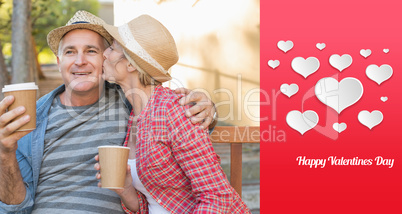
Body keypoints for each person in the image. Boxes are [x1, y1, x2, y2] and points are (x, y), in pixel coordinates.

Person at [0, 11, 216, 213]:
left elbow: (174, 115)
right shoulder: (31, 118)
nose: (79, 61)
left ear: (105, 59)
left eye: (91, 51)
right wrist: (5, 152)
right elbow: (15, 206)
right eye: (70, 52)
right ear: (59, 62)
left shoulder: (131, 103)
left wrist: (206, 110)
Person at [94, 14, 250, 213]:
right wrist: (125, 189)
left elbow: (218, 197)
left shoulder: (172, 110)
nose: (104, 54)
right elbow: (156, 203)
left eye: (112, 47)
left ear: (132, 63)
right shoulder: (135, 114)